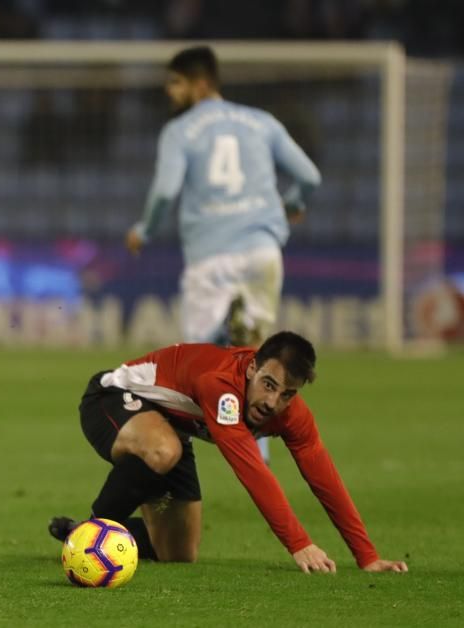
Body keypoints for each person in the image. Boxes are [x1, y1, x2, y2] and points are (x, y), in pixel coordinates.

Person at [48, 331, 408, 574]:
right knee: (163, 450)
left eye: (287, 394)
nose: (273, 402)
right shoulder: (220, 386)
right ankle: (88, 536)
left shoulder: (291, 415)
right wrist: (299, 544)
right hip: (112, 399)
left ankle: (86, 530)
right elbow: (252, 471)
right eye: (268, 385)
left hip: (171, 428)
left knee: (178, 552)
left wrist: (367, 556)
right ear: (252, 367)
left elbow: (323, 476)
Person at [125, 46, 322, 464]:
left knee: (196, 363)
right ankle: (259, 448)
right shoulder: (260, 121)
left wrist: (144, 229)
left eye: (175, 82)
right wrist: (291, 204)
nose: (169, 90)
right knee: (259, 358)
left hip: (212, 254)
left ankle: (180, 464)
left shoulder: (180, 131)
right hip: (261, 250)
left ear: (199, 84)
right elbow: (309, 175)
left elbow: (164, 190)